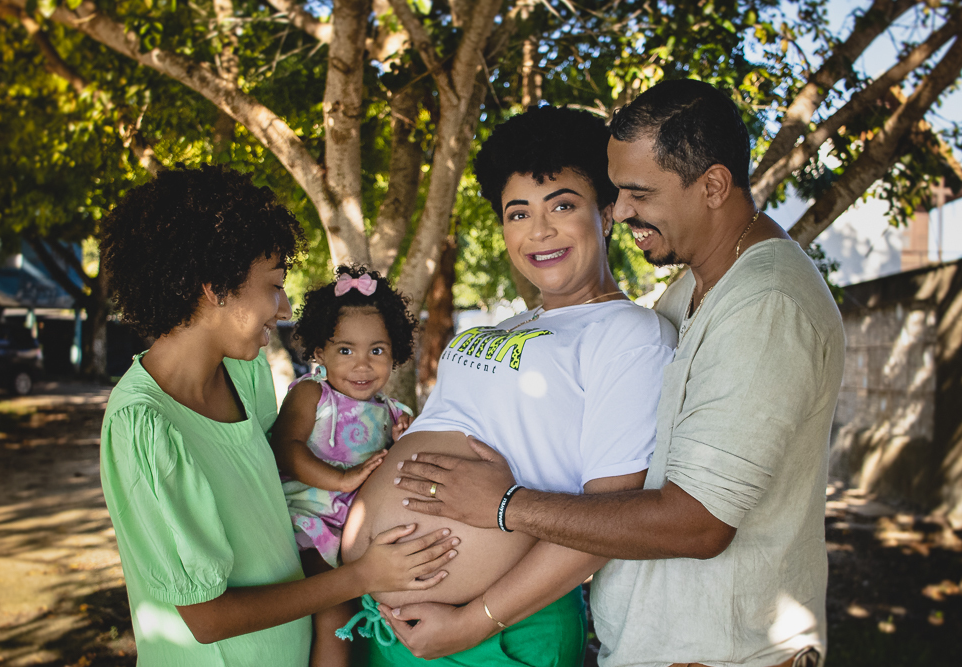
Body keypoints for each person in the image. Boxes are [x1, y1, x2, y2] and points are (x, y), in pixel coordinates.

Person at [392, 79, 845, 666]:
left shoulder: (766, 304)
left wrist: (506, 506)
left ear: (712, 186)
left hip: (724, 655)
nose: (621, 209)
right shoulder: (697, 288)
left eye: (638, 193)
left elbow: (698, 524)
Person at [338, 105, 677, 666]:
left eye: (562, 205)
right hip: (387, 623)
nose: (539, 231)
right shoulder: (508, 325)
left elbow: (611, 517)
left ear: (607, 213)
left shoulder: (629, 335)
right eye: (518, 213)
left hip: (493, 631)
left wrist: (472, 623)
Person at [98, 165, 459, 667]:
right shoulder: (143, 424)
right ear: (215, 288)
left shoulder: (242, 372)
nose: (285, 307)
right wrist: (361, 576)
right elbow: (207, 620)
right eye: (274, 286)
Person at [271, 265, 417, 667]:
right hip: (309, 521)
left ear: (395, 353)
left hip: (358, 531)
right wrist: (342, 479)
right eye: (346, 350)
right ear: (320, 352)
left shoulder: (393, 412)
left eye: (377, 351)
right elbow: (286, 448)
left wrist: (403, 443)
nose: (362, 365)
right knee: (334, 611)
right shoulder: (312, 394)